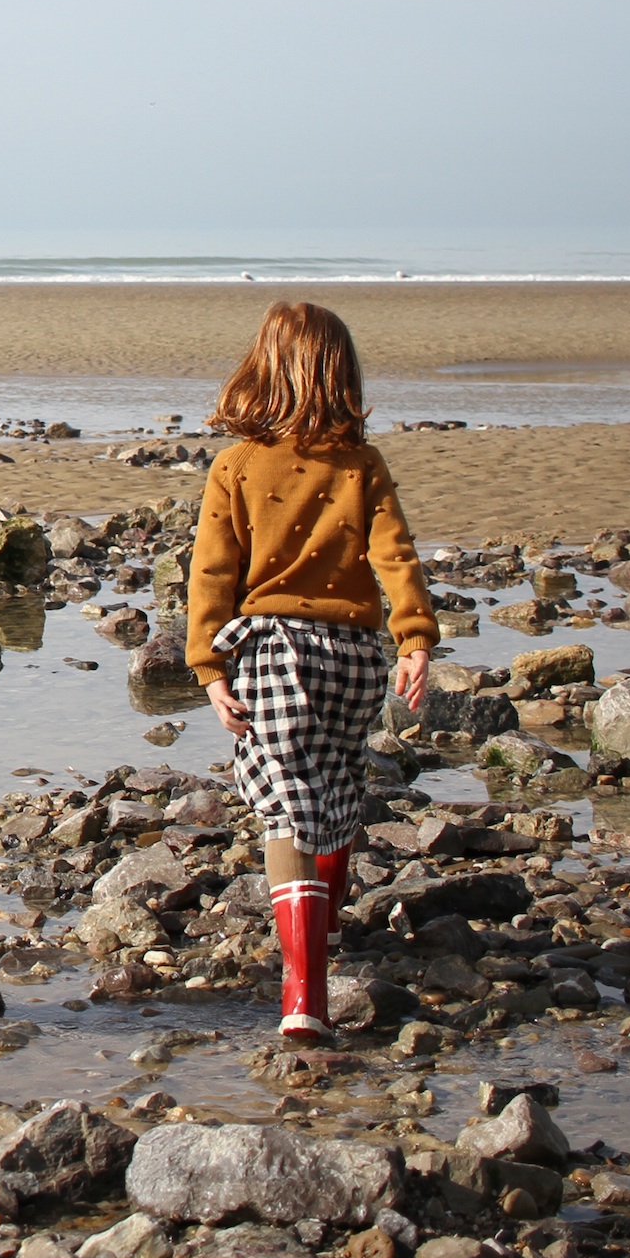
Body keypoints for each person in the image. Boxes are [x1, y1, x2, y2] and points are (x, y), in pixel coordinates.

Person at [188, 300, 436, 1046]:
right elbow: (395, 555)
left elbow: (212, 574)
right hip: (355, 657)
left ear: (264, 370)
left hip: (275, 652)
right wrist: (415, 637)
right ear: (340, 375)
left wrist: (208, 668)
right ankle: (321, 932)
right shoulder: (362, 464)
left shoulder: (234, 466)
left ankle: (305, 992)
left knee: (282, 808)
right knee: (336, 784)